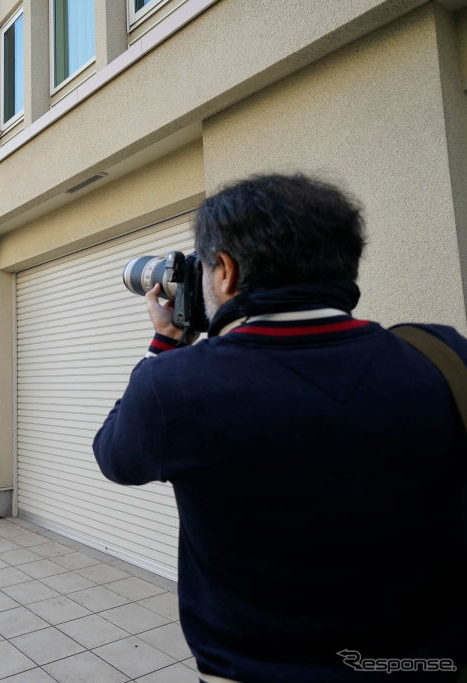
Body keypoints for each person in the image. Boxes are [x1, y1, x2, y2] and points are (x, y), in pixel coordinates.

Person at [93, 174, 467, 682]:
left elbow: (115, 457)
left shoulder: (176, 385)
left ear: (224, 271)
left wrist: (165, 343)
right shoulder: (443, 357)